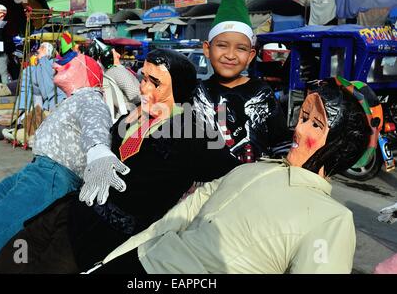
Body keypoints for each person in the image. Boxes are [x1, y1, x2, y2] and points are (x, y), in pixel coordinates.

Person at [84, 76, 379, 274]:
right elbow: (170, 222)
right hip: (138, 262)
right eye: (303, 117)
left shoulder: (331, 219)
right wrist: (108, 262)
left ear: (342, 144)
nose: (299, 130)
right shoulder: (251, 169)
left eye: (316, 125)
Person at [0, 49, 240, 274]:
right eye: (143, 78)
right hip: (70, 210)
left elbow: (235, 173)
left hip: (100, 238)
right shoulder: (135, 116)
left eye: (155, 83)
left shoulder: (193, 132)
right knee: (10, 259)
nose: (144, 88)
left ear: (180, 88)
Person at [0, 32, 123, 274]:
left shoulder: (90, 98)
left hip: (53, 177)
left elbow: (96, 126)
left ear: (87, 74)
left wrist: (99, 153)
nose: (59, 64)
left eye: (69, 64)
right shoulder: (72, 100)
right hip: (36, 171)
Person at [193, 0, 290, 163]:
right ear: (207, 49)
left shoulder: (262, 93)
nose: (230, 55)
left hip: (252, 186)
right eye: (222, 45)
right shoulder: (198, 93)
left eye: (241, 48)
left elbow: (281, 143)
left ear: (251, 56)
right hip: (207, 188)